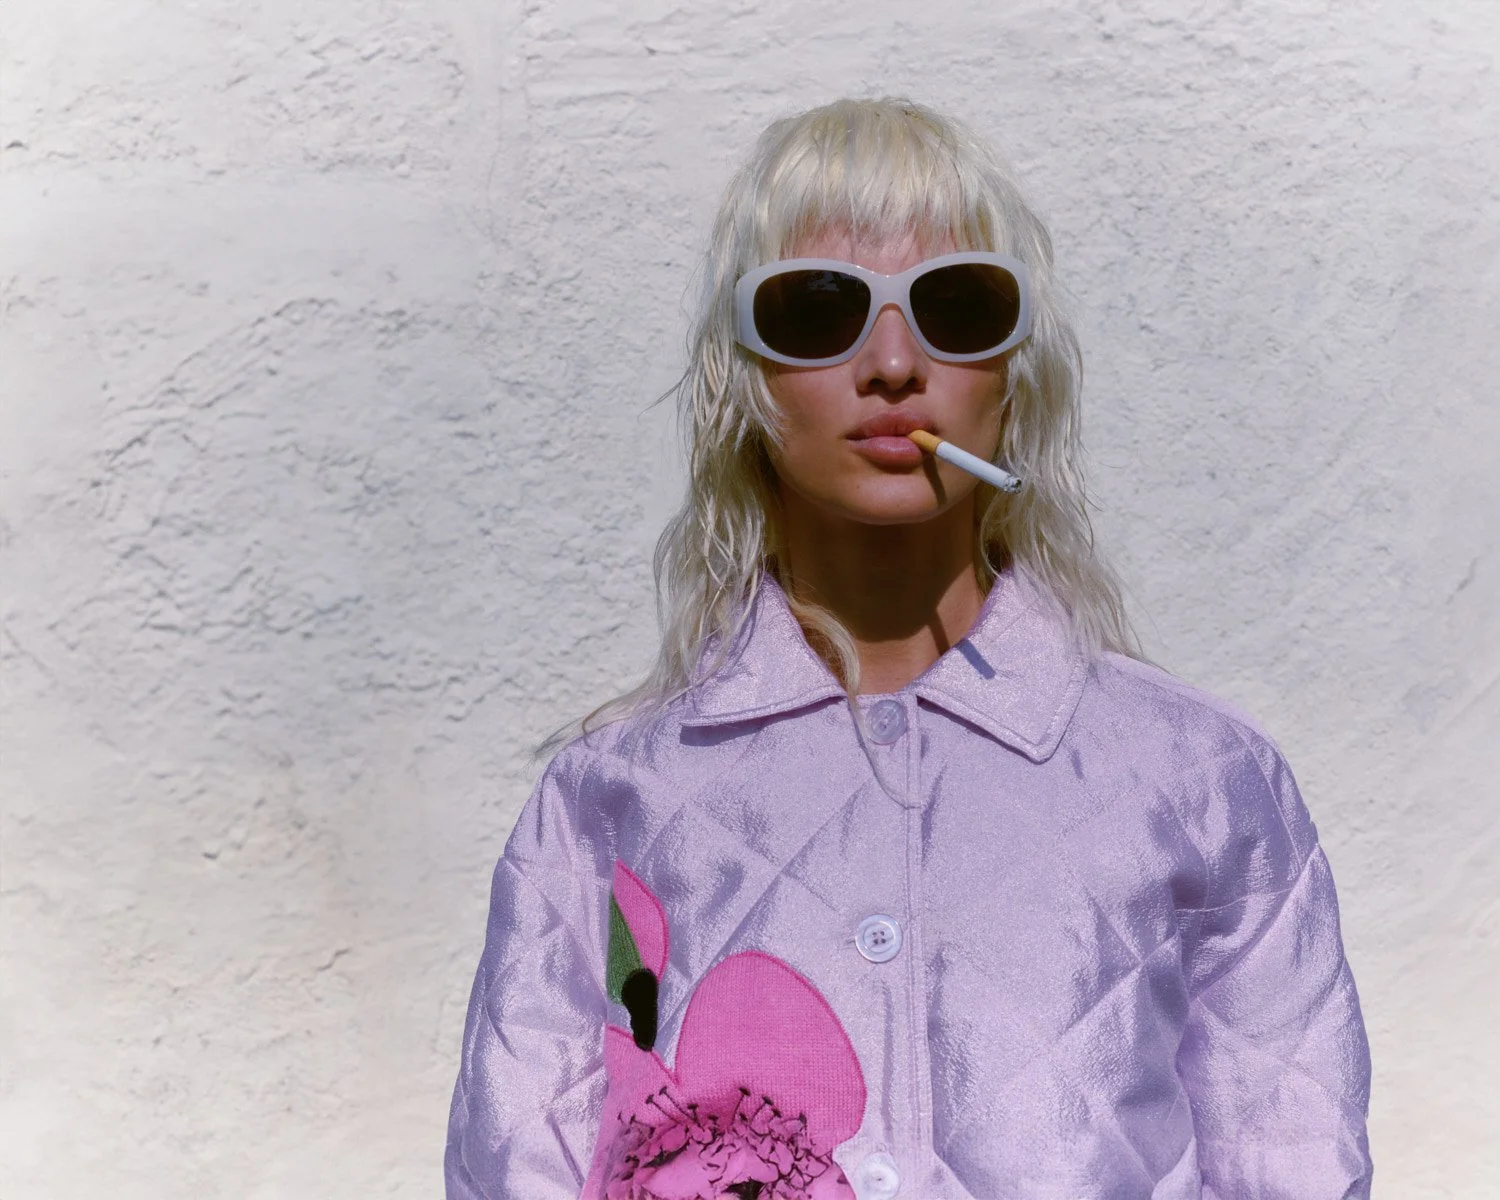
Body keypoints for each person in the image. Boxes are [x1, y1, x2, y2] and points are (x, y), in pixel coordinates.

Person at [444, 97, 1372, 1200]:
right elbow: (517, 1167)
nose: (892, 362)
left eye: (959, 306)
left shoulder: (1206, 788)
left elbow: (1294, 1166)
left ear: (1015, 374)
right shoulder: (606, 802)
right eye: (815, 311)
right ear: (740, 380)